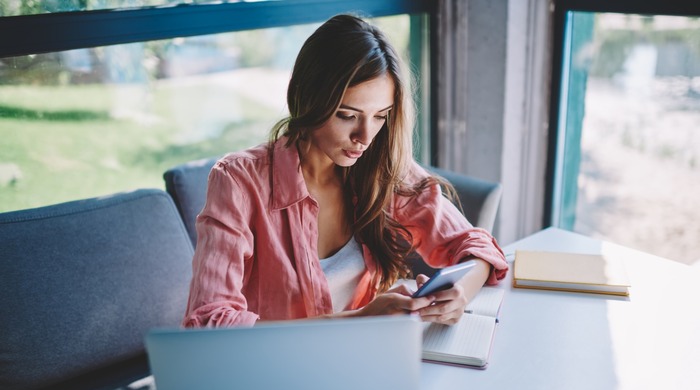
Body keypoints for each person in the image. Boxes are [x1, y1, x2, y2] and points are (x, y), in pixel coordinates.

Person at [183, 14, 508, 328]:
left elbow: (476, 247)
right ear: (307, 100)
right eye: (347, 115)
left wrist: (458, 295)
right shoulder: (239, 181)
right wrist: (359, 321)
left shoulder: (385, 169)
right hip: (274, 373)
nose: (365, 137)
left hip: (363, 360)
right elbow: (208, 321)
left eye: (380, 116)